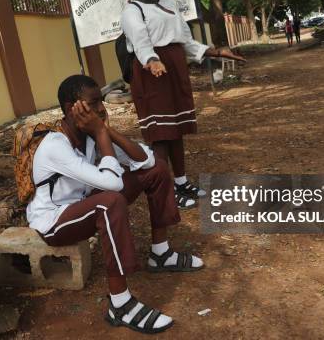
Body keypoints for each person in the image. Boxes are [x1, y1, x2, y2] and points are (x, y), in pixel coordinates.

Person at [26, 75, 204, 334]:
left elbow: (148, 160)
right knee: (110, 201)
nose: (101, 108)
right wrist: (100, 131)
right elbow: (113, 186)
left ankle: (161, 253)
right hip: (53, 222)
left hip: (83, 205)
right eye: (94, 102)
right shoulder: (55, 145)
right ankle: (120, 303)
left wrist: (106, 131)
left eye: (101, 101)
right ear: (70, 108)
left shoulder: (89, 136)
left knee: (158, 170)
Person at [120, 0, 245, 209]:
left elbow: (186, 41)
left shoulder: (168, 4)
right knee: (161, 135)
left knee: (176, 131)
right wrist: (153, 60)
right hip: (151, 73)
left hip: (174, 69)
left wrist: (217, 52)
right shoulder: (132, 11)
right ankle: (165, 191)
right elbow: (141, 42)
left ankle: (181, 182)